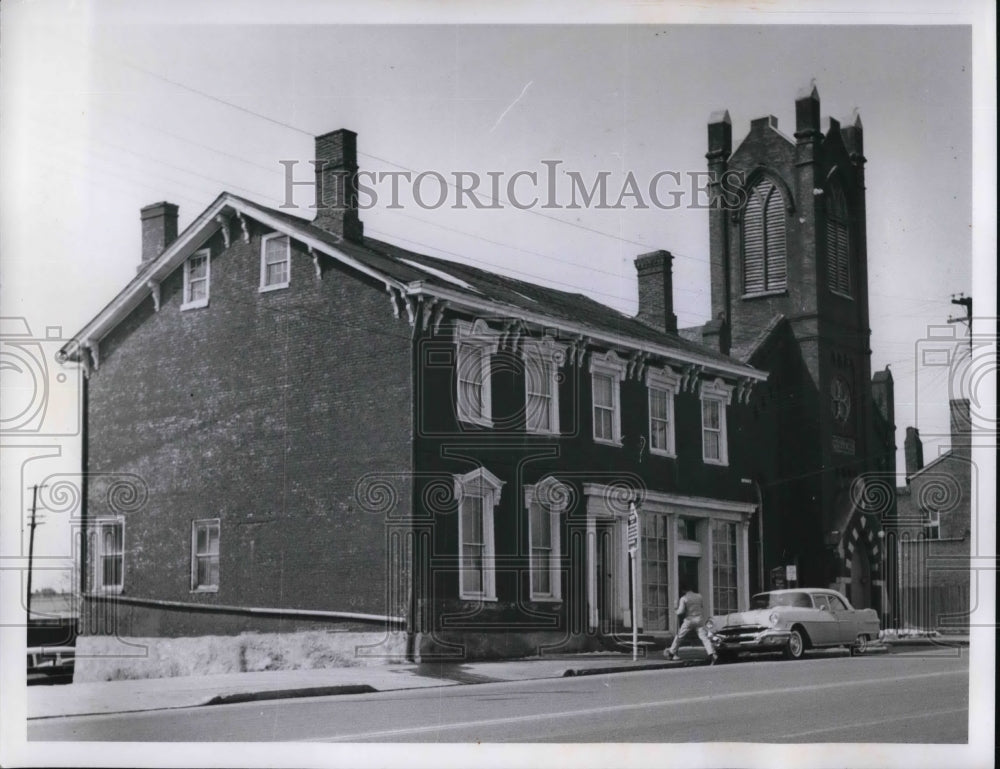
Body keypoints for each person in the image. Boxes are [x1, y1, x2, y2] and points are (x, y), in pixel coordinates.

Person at [663, 583, 718, 664]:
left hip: (689, 620)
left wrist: (676, 610)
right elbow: (702, 606)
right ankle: (712, 653)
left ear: (683, 590)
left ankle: (671, 653)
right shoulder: (699, 596)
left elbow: (680, 611)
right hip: (699, 619)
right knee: (704, 638)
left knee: (679, 636)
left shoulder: (684, 598)